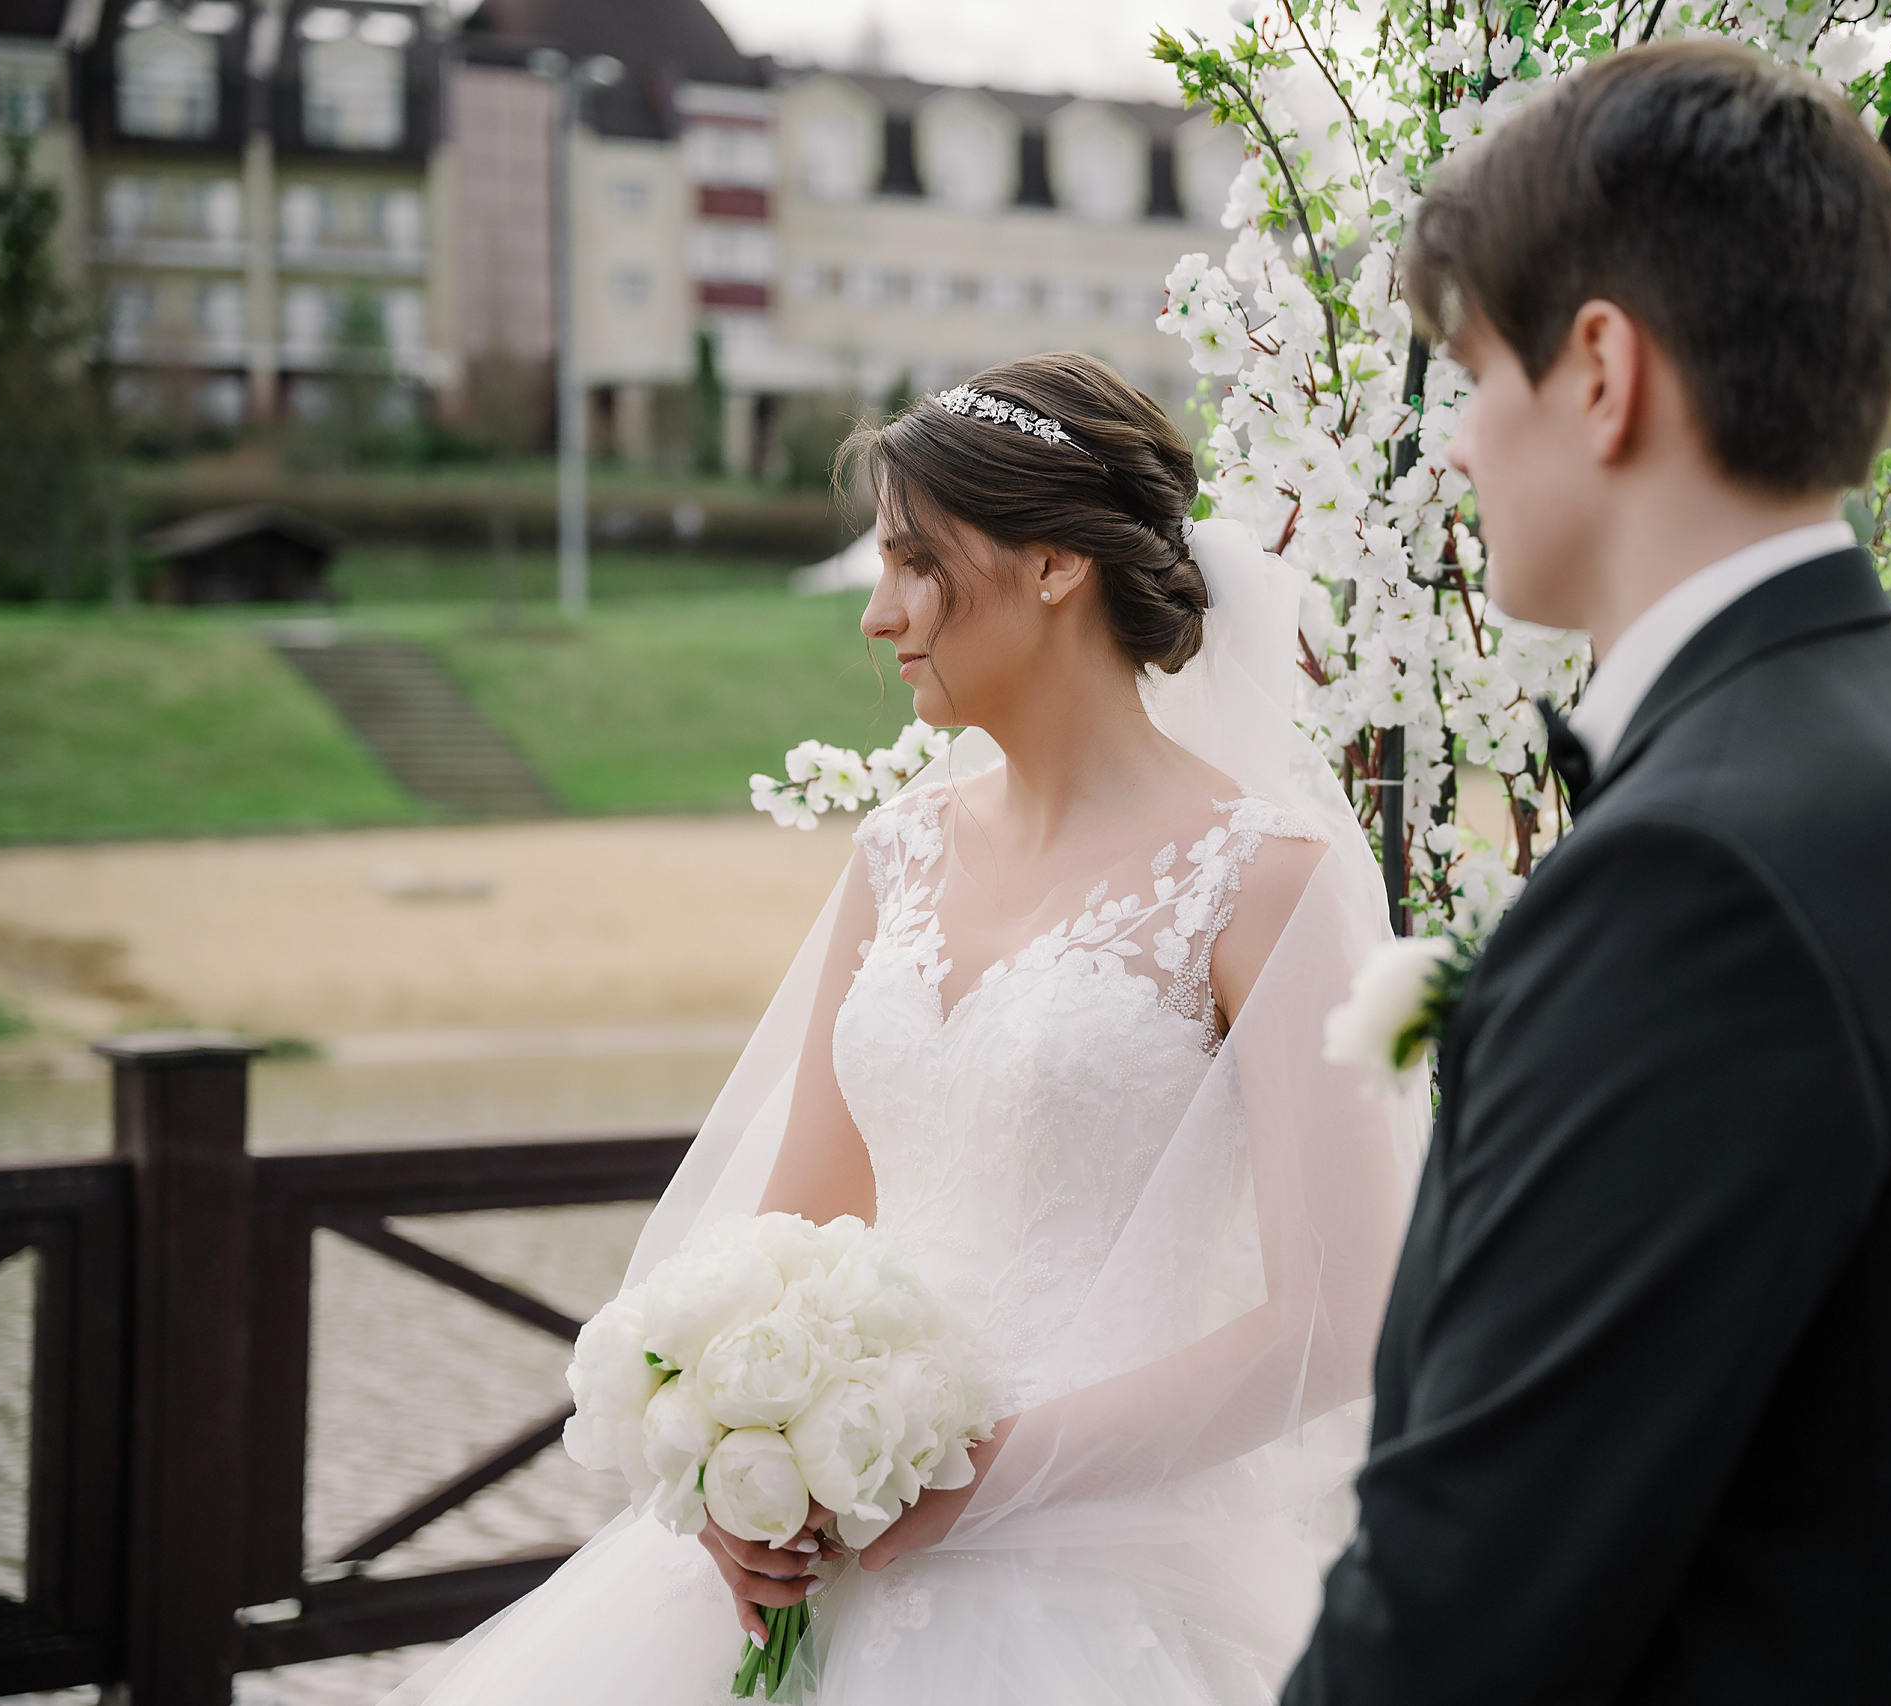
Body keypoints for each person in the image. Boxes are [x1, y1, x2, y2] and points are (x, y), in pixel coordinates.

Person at [385, 353, 1423, 1705]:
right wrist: (732, 1462)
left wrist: (984, 1477)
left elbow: (1339, 1318)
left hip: (1091, 1583)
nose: (879, 615)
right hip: (835, 1549)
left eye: (913, 563)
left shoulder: (1264, 878)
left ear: (1055, 565)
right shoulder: (899, 852)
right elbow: (791, 1229)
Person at [1283, 41, 1891, 1706]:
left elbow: (1462, 1616)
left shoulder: (1701, 876)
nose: (1448, 450)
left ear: (1599, 370)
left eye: (1465, 372)